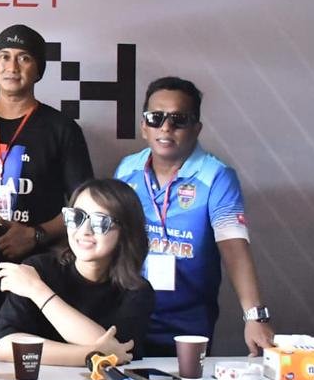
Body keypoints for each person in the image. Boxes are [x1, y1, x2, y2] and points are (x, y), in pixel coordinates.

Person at [0, 24, 95, 349]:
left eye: (24, 58)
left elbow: (85, 209)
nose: (12, 66)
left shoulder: (61, 129)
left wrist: (37, 233)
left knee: (34, 368)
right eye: (4, 56)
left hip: (38, 279)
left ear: (38, 69)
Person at [114, 76, 275, 356]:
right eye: (156, 118)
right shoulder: (128, 169)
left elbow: (234, 248)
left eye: (179, 119)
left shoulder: (216, 177)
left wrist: (255, 317)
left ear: (196, 128)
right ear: (144, 127)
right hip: (126, 313)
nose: (166, 127)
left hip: (188, 323)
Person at [0, 179, 155, 365]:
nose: (84, 230)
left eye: (100, 221)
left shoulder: (137, 291)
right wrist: (91, 355)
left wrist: (39, 292)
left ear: (126, 231)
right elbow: (3, 346)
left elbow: (117, 349)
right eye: (76, 217)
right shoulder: (38, 269)